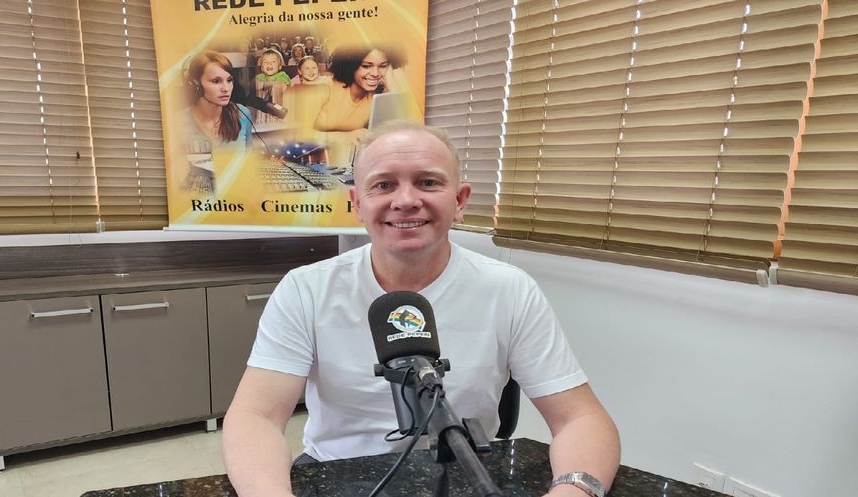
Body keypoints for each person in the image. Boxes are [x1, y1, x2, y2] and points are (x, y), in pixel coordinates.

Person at [222, 121, 621, 497]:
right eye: (384, 185)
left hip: (463, 476)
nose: (406, 201)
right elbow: (257, 417)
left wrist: (573, 490)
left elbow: (579, 418)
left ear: (460, 200)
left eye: (428, 182)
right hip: (336, 472)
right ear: (357, 204)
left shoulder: (509, 289)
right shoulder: (306, 289)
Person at [180, 51, 253, 193]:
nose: (226, 88)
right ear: (196, 81)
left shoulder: (243, 114)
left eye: (229, 80)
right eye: (216, 81)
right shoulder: (178, 122)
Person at [310, 45, 403, 144]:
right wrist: (345, 137)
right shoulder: (324, 87)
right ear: (351, 65)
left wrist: (390, 81)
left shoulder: (377, 96)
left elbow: (404, 124)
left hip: (349, 152)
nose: (375, 73)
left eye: (383, 66)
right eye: (366, 66)